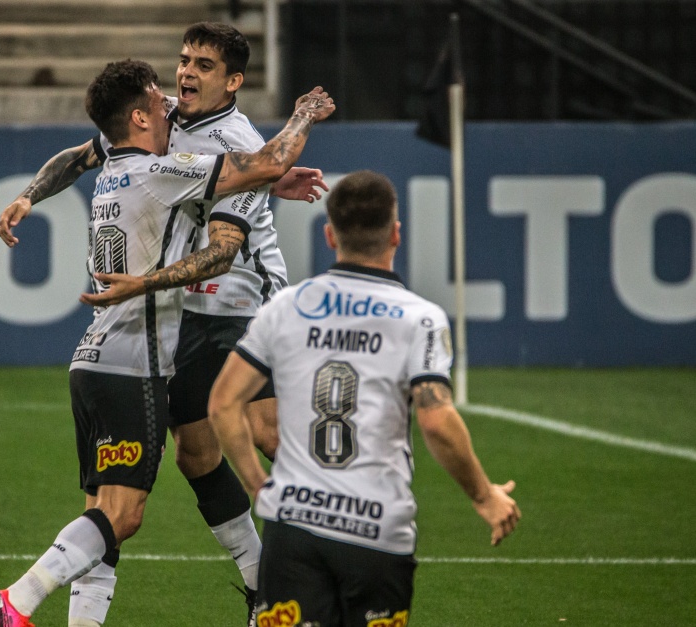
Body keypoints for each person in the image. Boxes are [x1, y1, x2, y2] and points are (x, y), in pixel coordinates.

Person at [0, 60, 334, 627]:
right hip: (135, 366)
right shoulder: (161, 171)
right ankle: (16, 601)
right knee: (123, 515)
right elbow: (267, 161)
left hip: (90, 362)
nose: (170, 100)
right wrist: (303, 114)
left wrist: (261, 182)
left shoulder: (117, 170)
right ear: (140, 117)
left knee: (102, 512)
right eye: (157, 96)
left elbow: (239, 177)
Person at [207, 170, 521, 626]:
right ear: (396, 233)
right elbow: (436, 421)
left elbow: (222, 404)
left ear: (330, 234)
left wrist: (260, 486)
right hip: (376, 531)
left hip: (294, 527)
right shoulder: (420, 318)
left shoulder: (286, 308)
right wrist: (483, 495)